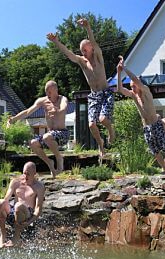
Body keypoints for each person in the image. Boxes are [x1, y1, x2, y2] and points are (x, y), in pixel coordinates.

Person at [47, 17, 115, 158]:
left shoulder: (98, 58)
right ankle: (101, 145)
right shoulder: (82, 62)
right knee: (91, 125)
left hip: (106, 93)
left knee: (102, 119)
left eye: (85, 49)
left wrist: (87, 27)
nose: (83, 52)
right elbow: (69, 54)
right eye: (81, 50)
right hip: (94, 95)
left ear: (90, 47)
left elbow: (94, 43)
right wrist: (56, 42)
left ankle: (110, 130)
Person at [116, 56, 165, 182]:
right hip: (147, 128)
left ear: (139, 85)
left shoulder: (146, 91)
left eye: (133, 85)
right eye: (131, 86)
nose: (132, 88)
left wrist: (125, 68)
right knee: (156, 153)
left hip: (156, 125)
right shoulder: (134, 96)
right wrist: (118, 73)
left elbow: (134, 78)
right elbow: (119, 89)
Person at [8, 80, 68, 178]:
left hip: (62, 134)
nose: (47, 94)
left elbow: (64, 107)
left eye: (50, 92)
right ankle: (49, 162)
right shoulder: (43, 101)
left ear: (56, 90)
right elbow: (28, 112)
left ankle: (59, 158)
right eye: (46, 92)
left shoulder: (62, 99)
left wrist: (57, 110)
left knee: (47, 136)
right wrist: (14, 119)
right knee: (33, 143)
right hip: (49, 136)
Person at [0, 161, 45, 249]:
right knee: (0, 202)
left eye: (28, 174)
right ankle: (2, 236)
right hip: (13, 212)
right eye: (24, 173)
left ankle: (16, 237)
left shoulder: (39, 187)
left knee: (19, 205)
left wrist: (29, 222)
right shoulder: (16, 182)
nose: (25, 176)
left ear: (34, 174)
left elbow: (38, 209)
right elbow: (6, 200)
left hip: (27, 214)